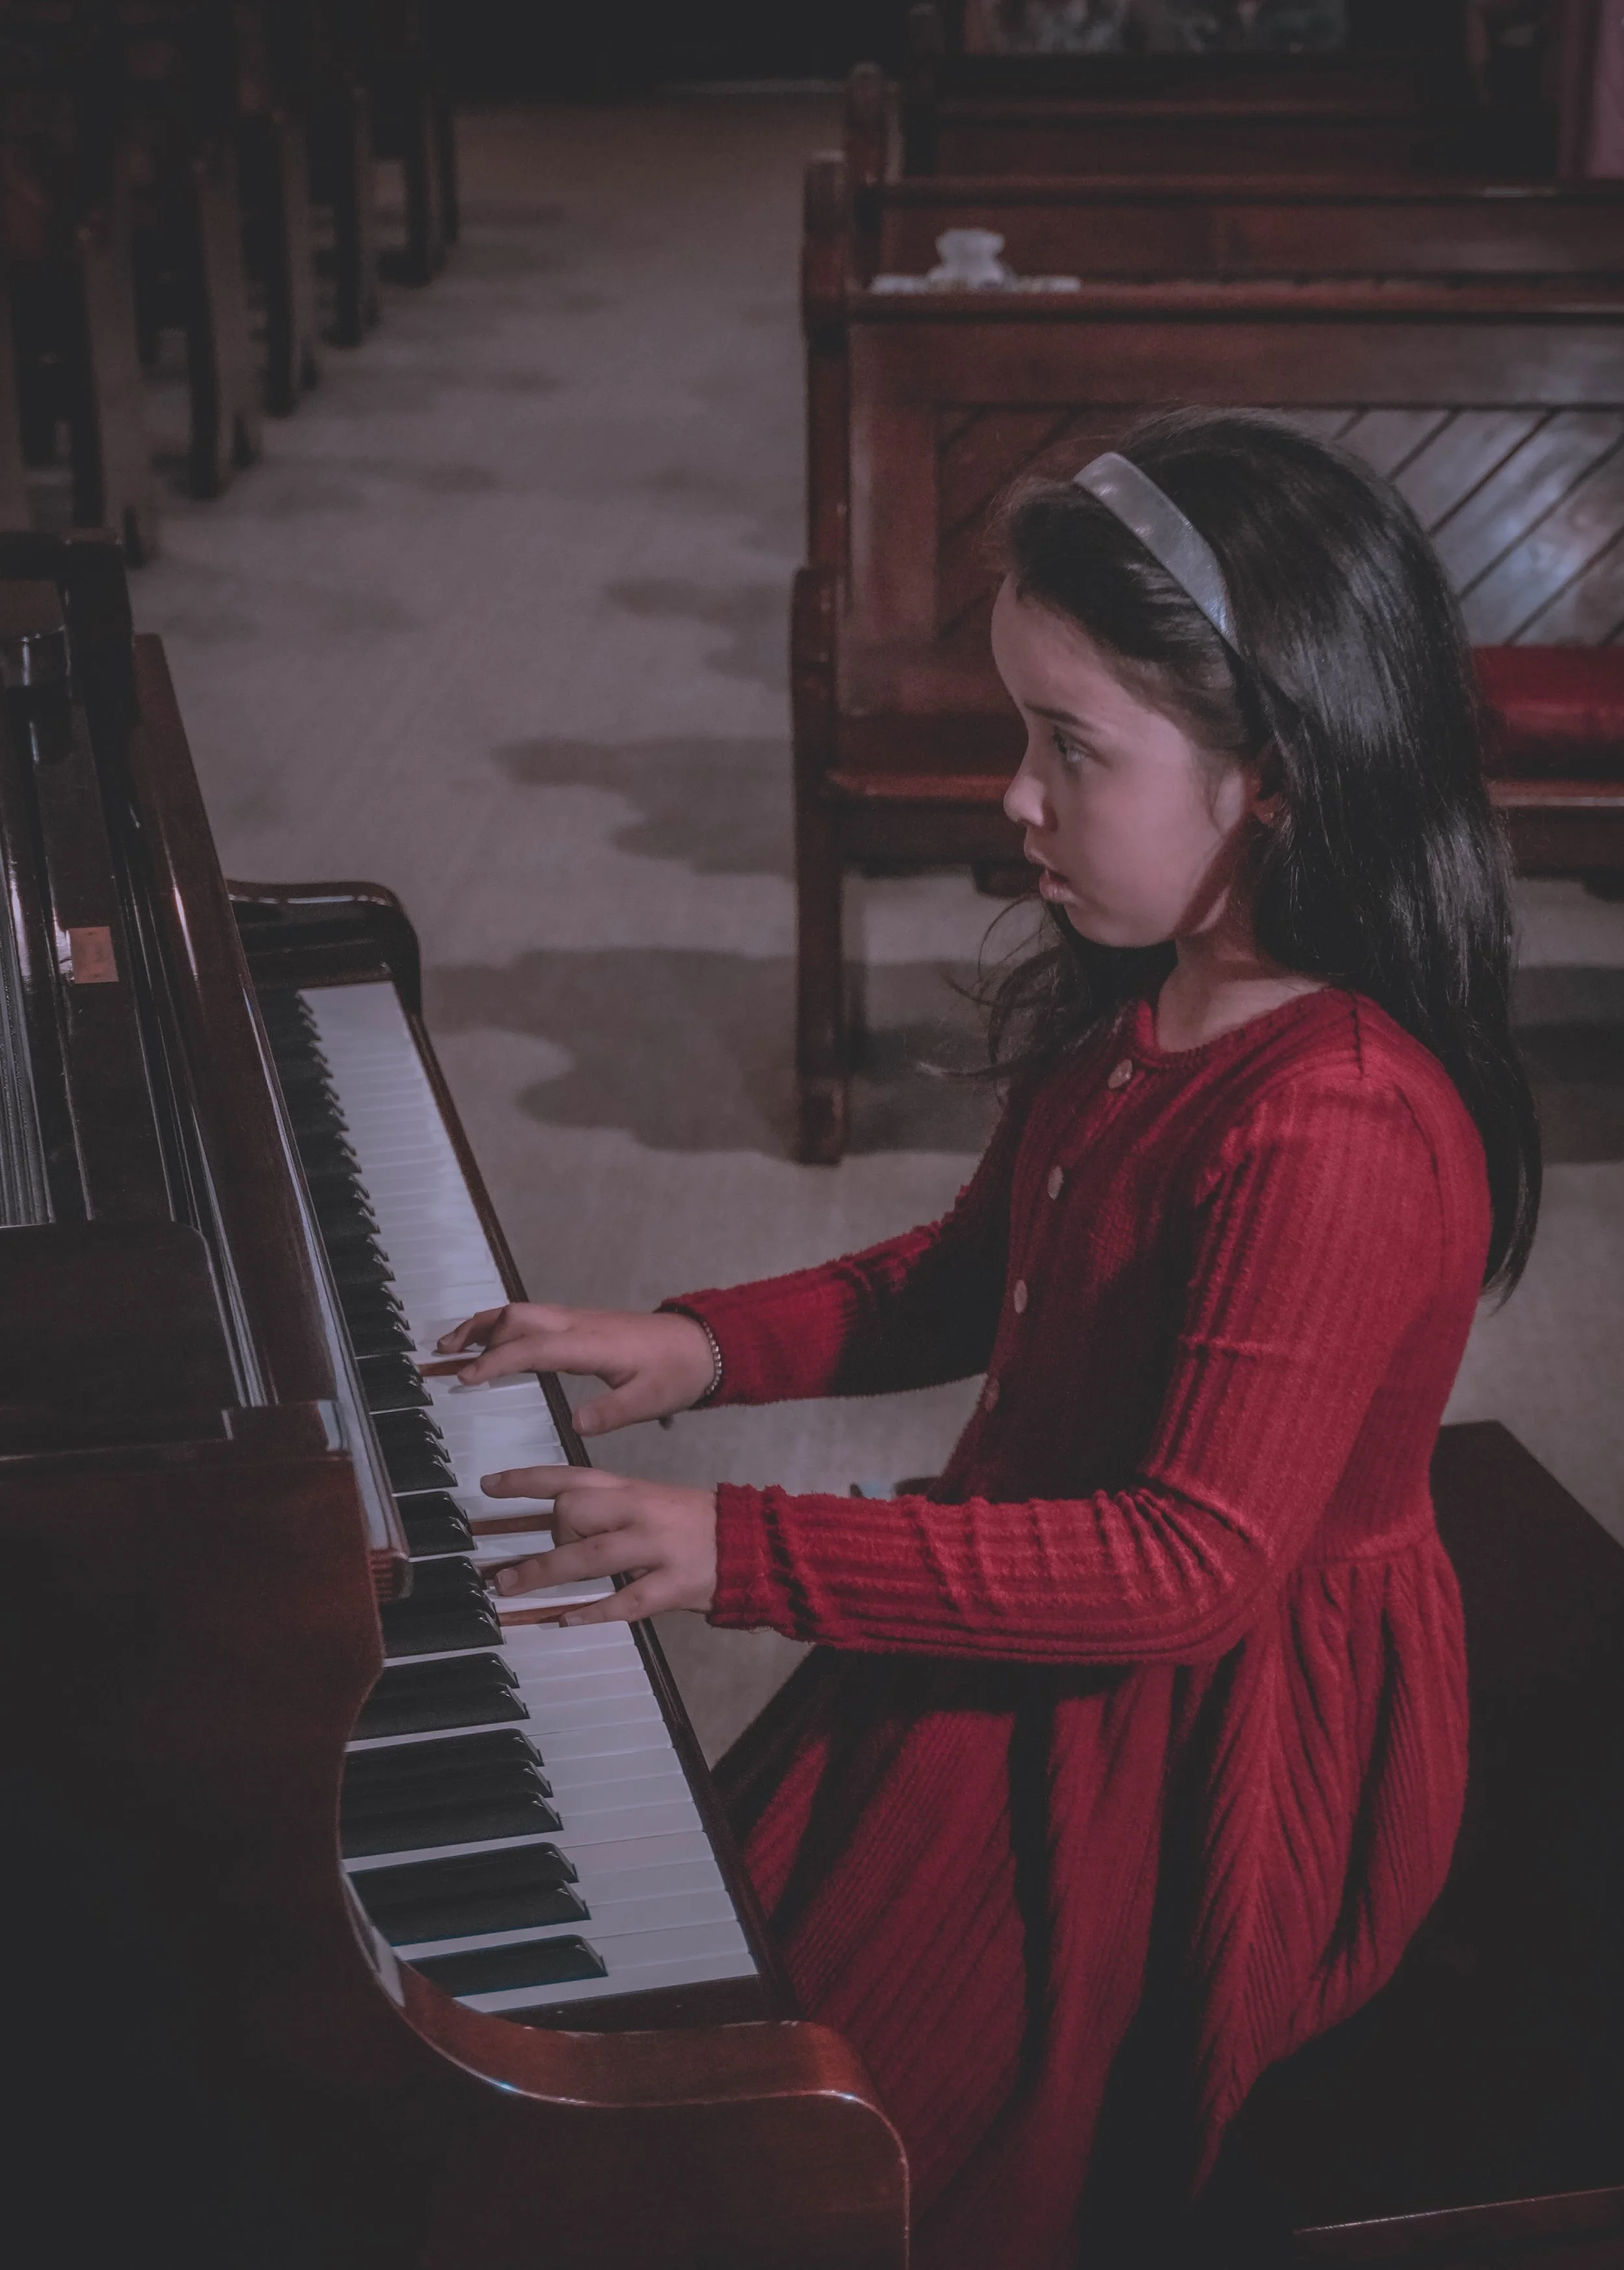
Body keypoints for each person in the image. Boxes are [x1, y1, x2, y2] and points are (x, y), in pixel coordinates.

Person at [435, 409, 1540, 2267]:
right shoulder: (1150, 995)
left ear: (1270, 775)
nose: (1010, 795)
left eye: (1067, 748)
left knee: (822, 2126)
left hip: (1212, 1727)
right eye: (1021, 731)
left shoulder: (1337, 1120)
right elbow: (971, 1276)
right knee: (738, 1945)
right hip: (1055, 1563)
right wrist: (697, 1343)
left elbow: (1185, 1564)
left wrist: (740, 1549)